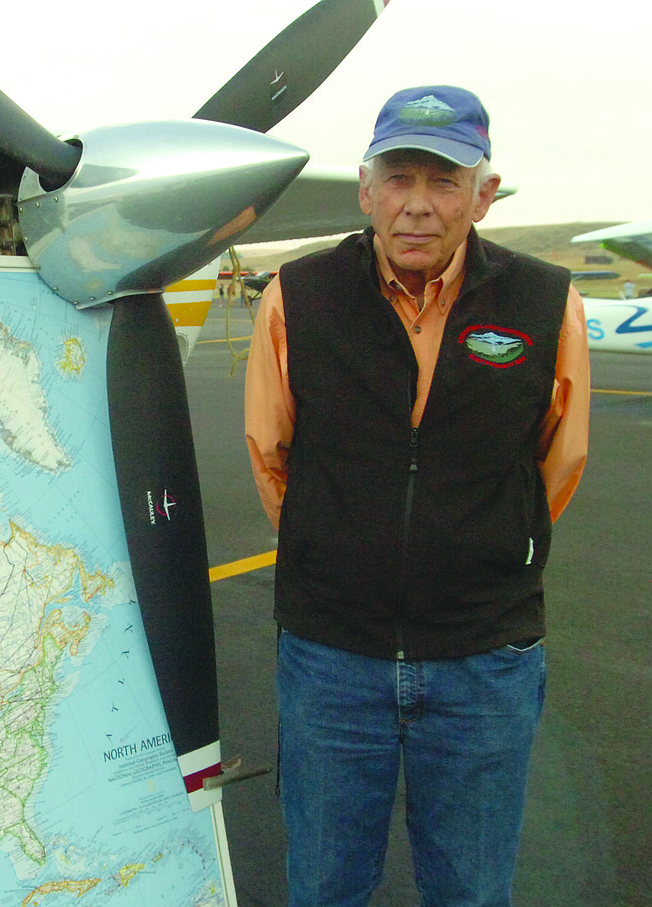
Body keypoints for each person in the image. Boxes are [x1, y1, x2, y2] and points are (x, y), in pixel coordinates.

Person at [244, 85, 590, 906]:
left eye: (446, 181)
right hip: (331, 660)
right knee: (325, 886)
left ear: (485, 194)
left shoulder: (547, 303)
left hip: (484, 662)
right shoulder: (297, 297)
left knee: (472, 891)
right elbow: (271, 455)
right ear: (367, 189)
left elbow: (558, 464)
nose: (419, 207)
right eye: (400, 178)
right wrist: (344, 555)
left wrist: (482, 551)